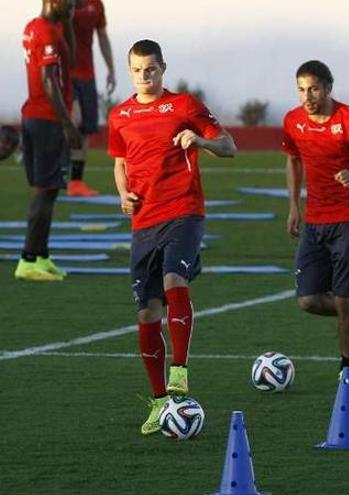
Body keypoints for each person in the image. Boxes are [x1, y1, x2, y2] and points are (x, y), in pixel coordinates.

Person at [107, 39, 237, 435]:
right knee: (147, 312)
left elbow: (229, 146)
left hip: (183, 210)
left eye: (151, 69)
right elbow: (120, 163)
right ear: (130, 71)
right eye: (137, 70)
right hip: (143, 221)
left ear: (163, 68)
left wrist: (200, 141)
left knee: (174, 280)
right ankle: (160, 400)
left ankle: (179, 368)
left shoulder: (185, 106)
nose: (144, 76)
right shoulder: (120, 115)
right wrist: (122, 194)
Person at [283, 60, 349, 388]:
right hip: (315, 219)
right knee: (308, 300)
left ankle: (348, 369)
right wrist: (294, 207)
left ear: (328, 88)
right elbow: (293, 160)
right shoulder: (293, 121)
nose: (307, 96)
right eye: (301, 89)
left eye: (313, 88)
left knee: (342, 297)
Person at [15, 0, 81, 282]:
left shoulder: (41, 26)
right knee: (44, 191)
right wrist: (68, 124)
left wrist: (67, 23)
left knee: (50, 189)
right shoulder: (46, 31)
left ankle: (42, 256)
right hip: (47, 120)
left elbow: (72, 62)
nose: (73, 6)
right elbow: (49, 79)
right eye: (70, 2)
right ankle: (28, 260)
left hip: (39, 116)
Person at [67, 0, 115, 196]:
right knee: (73, 120)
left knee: (86, 127)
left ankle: (75, 183)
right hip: (63, 72)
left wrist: (111, 69)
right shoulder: (60, 3)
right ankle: (53, 168)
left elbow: (102, 36)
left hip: (87, 75)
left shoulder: (97, 5)